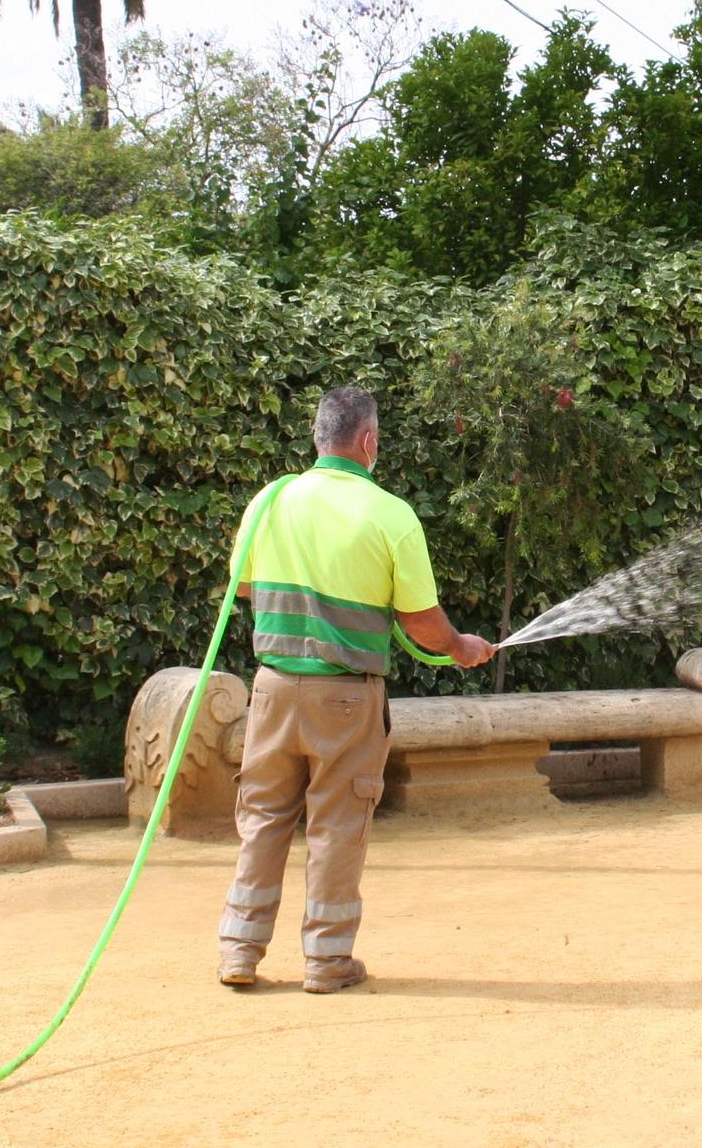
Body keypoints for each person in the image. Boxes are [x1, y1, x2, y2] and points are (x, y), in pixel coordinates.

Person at [217, 386, 494, 993]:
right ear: (367, 441)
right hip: (346, 699)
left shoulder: (271, 499)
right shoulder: (391, 514)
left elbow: (244, 587)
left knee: (262, 818)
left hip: (270, 690)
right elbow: (421, 621)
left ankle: (239, 951)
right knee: (337, 825)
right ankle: (326, 960)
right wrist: (461, 646)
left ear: (318, 437)